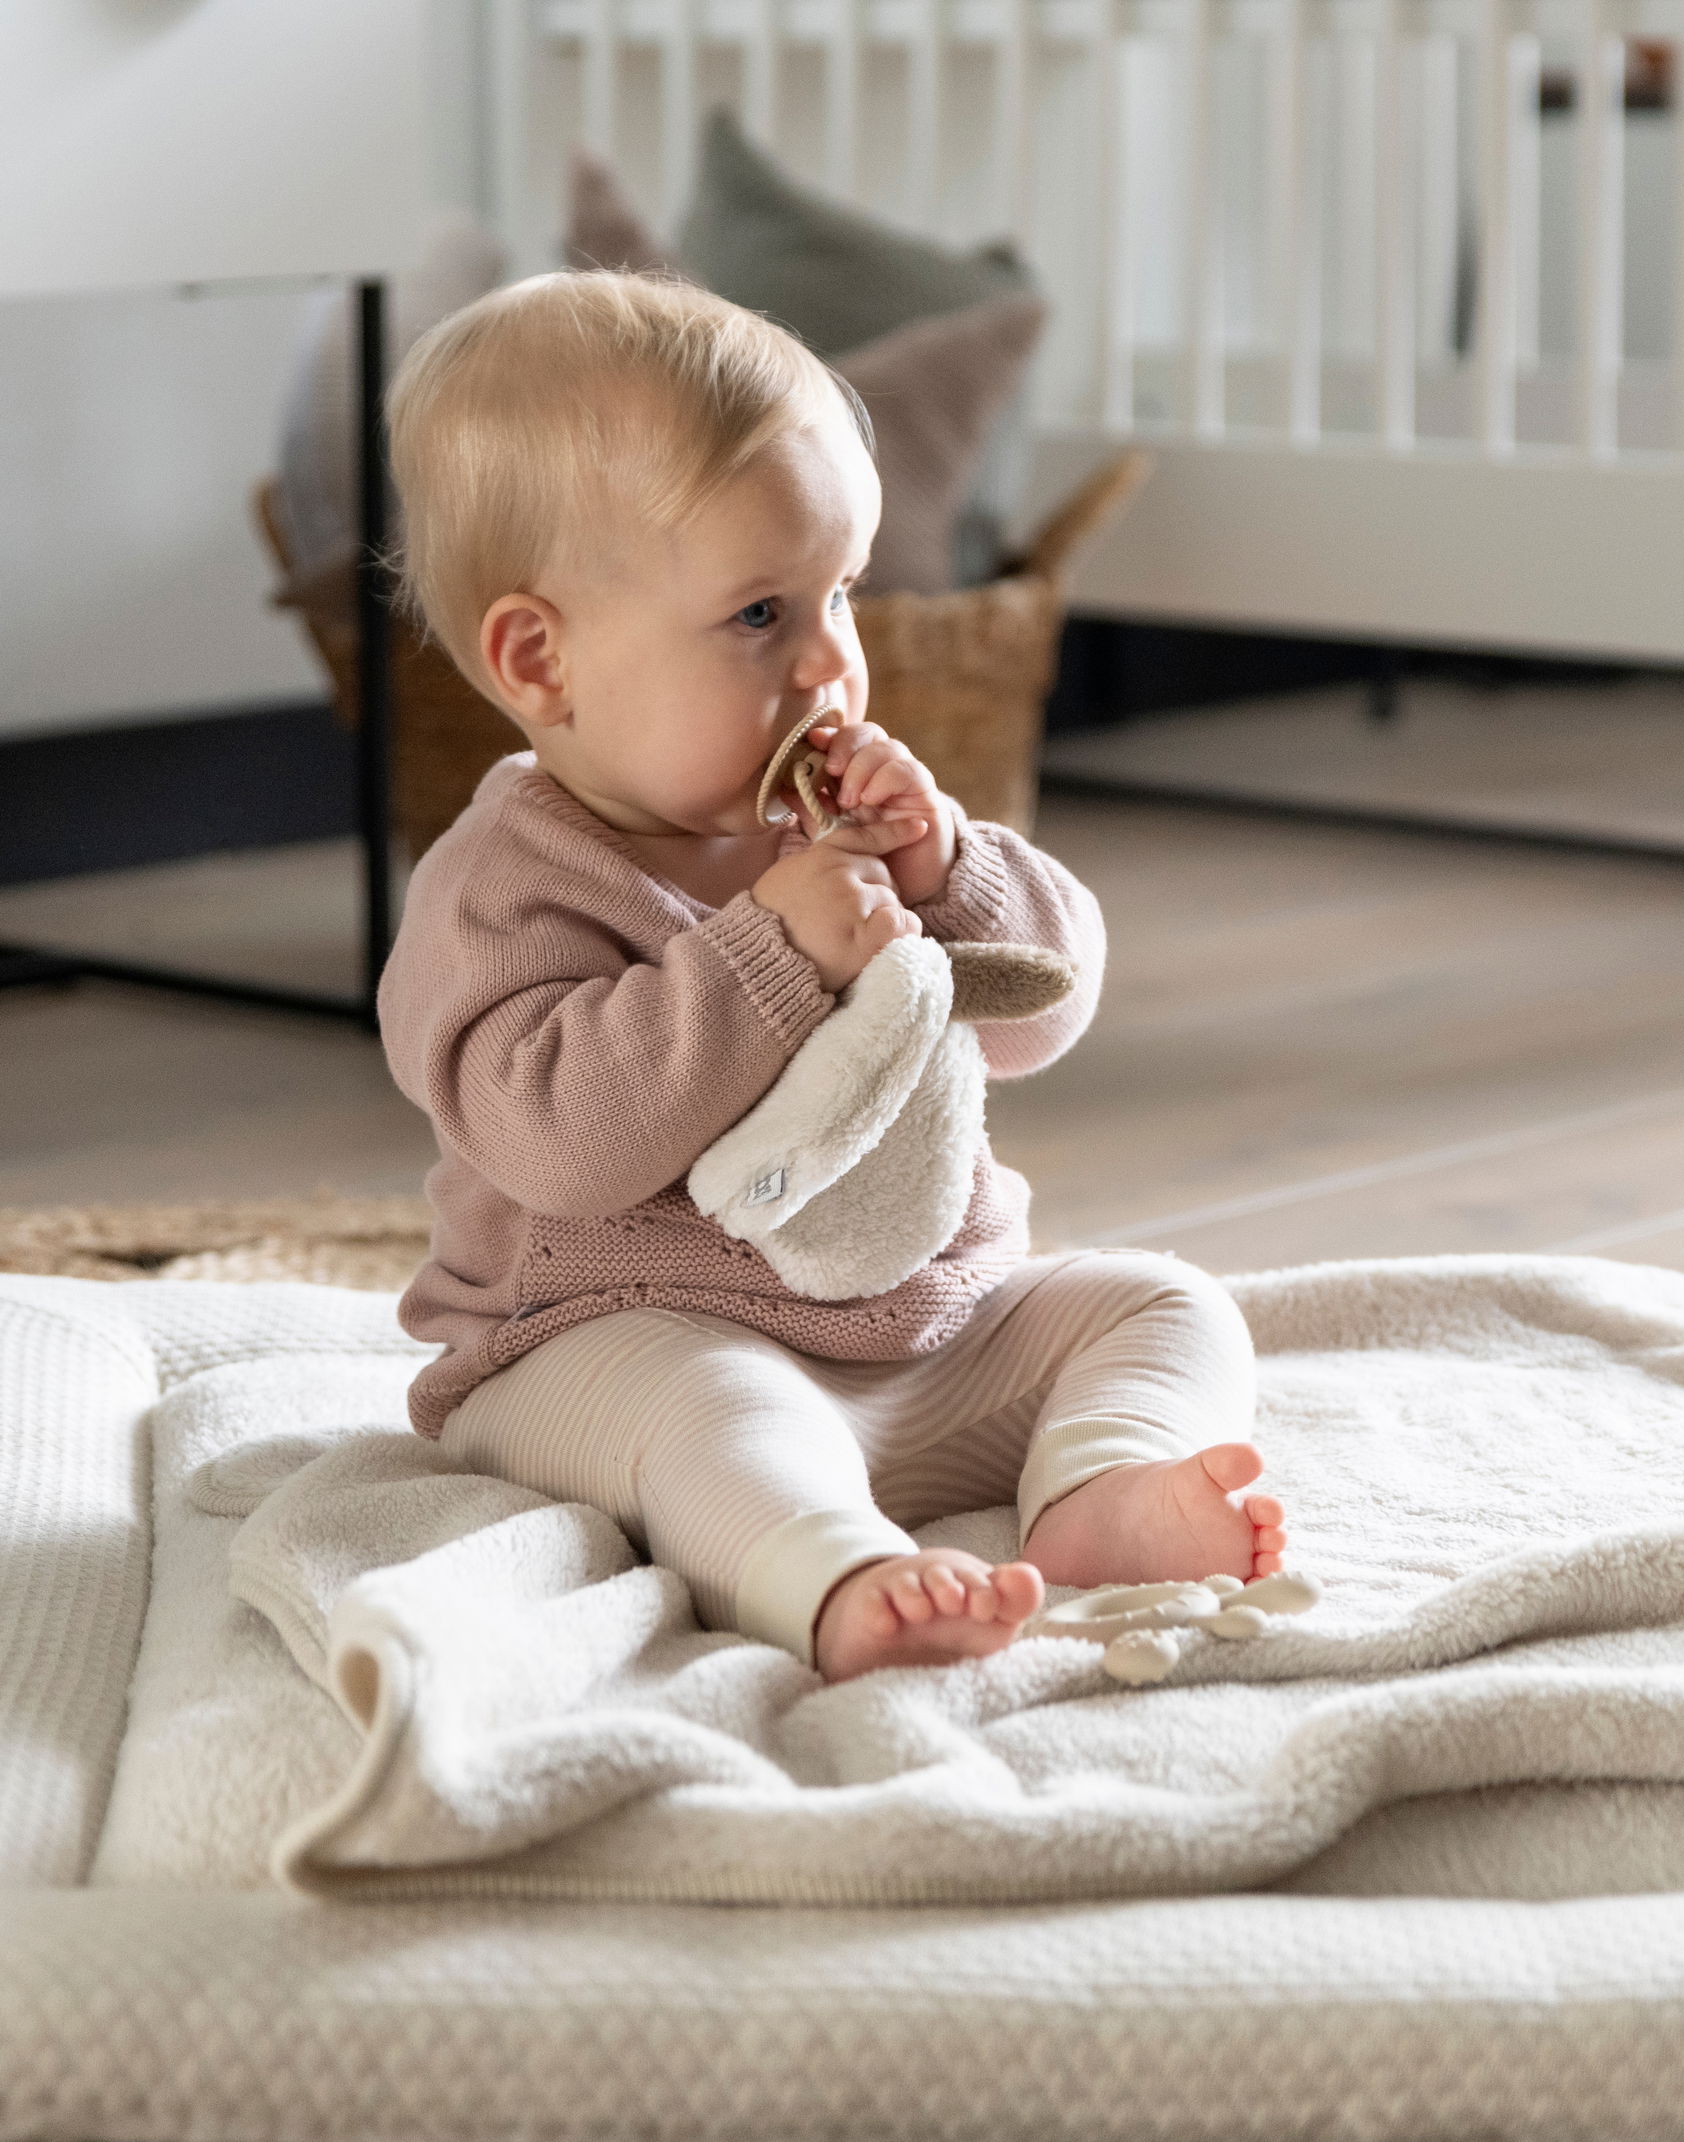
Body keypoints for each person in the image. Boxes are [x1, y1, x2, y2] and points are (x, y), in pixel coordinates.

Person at [377, 270, 1286, 1681]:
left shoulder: (844, 828)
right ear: (541, 659)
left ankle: (1098, 1490)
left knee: (1165, 1301)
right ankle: (833, 1570)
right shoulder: (506, 886)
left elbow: (1042, 1008)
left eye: (839, 593)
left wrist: (941, 873)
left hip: (929, 1333)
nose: (831, 667)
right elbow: (562, 1140)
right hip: (605, 1347)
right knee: (715, 1414)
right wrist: (775, 953)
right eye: (758, 616)